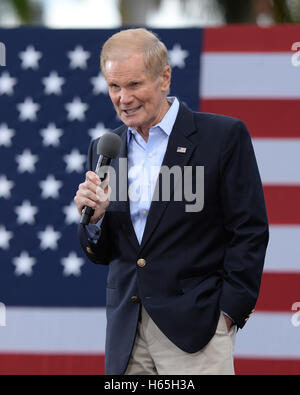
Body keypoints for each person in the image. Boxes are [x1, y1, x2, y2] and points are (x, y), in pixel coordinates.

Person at [74, 28, 269, 375]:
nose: (123, 98)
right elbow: (105, 253)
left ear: (164, 78)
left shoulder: (222, 137)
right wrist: (94, 220)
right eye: (114, 87)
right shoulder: (105, 148)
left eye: (134, 85)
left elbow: (249, 231)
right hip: (127, 333)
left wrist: (228, 313)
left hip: (197, 331)